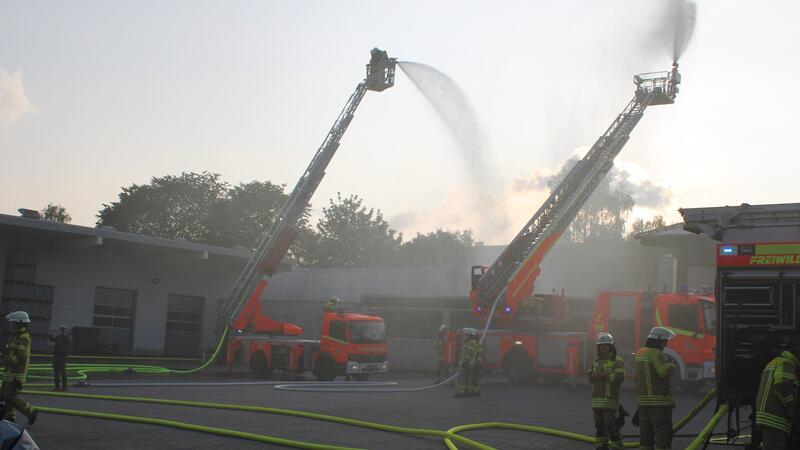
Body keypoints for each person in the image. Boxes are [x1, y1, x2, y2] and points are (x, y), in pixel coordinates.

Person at [635, 326, 676, 450]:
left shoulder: (640, 352)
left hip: (643, 402)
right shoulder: (655, 353)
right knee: (663, 434)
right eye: (664, 341)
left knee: (646, 436)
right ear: (658, 340)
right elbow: (663, 372)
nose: (666, 344)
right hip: (659, 403)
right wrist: (671, 365)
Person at [754, 349, 799, 449]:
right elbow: (782, 386)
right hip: (775, 419)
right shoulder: (787, 363)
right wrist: (791, 407)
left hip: (768, 417)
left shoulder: (776, 361)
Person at [587, 332, 625, 450]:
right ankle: (601, 446)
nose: (603, 347)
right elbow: (589, 376)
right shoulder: (596, 361)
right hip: (596, 401)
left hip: (609, 400)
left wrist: (605, 376)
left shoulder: (617, 361)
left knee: (610, 425)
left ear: (611, 346)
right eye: (601, 345)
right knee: (599, 425)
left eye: (606, 345)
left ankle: (617, 446)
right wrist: (593, 375)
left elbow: (620, 378)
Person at [1, 311, 37, 425]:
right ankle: (10, 417)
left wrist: (8, 359)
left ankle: (31, 412)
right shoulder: (17, 336)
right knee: (5, 396)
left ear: (20, 323)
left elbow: (21, 356)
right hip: (9, 373)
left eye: (14, 323)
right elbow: (12, 350)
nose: (13, 325)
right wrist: (5, 349)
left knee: (11, 396)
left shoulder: (24, 337)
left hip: (16, 373)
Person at [454, 328, 483, 397]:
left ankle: (461, 393)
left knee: (462, 378)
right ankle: (467, 392)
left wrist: (465, 361)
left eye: (465, 335)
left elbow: (469, 352)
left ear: (469, 335)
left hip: (467, 363)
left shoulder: (471, 343)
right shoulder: (469, 342)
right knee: (468, 378)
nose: (464, 336)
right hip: (468, 363)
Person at [50, 325, 71, 391]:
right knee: (56, 373)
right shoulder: (59, 337)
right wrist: (52, 333)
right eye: (61, 329)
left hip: (63, 357)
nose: (62, 330)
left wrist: (64, 334)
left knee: (62, 372)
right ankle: (57, 387)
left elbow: (68, 341)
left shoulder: (68, 336)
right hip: (56, 356)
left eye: (63, 329)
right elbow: (51, 340)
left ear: (66, 330)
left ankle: (64, 387)